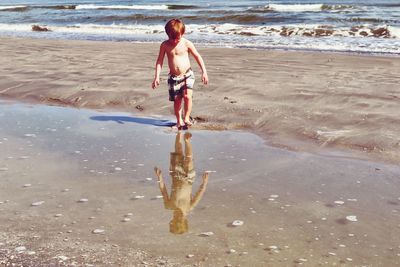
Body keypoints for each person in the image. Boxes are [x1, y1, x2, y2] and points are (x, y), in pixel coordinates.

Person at [152, 18, 209, 130]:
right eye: (171, 38)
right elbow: (159, 61)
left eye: (177, 38)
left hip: (187, 74)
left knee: (187, 96)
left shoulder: (187, 43)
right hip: (173, 77)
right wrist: (157, 77)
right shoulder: (165, 45)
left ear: (182, 33)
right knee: (177, 100)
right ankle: (179, 121)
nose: (174, 41)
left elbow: (197, 56)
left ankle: (186, 117)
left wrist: (204, 72)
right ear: (167, 34)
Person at [154, 132, 209, 234]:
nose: (178, 216)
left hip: (175, 175)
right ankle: (187, 141)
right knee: (188, 160)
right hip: (189, 179)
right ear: (185, 220)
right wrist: (204, 183)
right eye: (181, 219)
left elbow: (163, 190)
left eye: (175, 218)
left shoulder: (169, 206)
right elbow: (199, 195)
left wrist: (159, 177)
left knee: (178, 151)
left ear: (172, 220)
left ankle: (179, 132)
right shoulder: (189, 207)